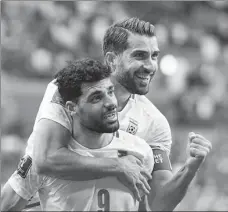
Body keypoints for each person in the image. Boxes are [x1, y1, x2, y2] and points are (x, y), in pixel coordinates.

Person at [1, 18, 212, 211]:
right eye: (139, 55)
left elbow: (158, 203)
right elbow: (44, 159)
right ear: (112, 59)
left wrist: (189, 169)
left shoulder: (153, 123)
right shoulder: (67, 89)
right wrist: (117, 165)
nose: (150, 66)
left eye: (154, 55)